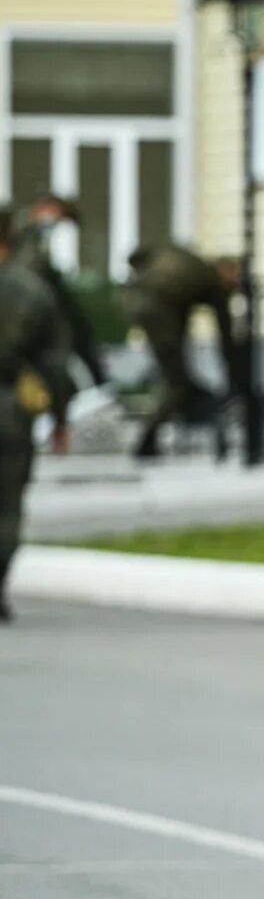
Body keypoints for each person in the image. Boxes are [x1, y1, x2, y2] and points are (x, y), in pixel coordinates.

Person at [0, 212, 78, 623]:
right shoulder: (32, 292)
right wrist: (61, 421)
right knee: (8, 506)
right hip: (12, 409)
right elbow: (54, 363)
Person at [123, 241, 241, 459]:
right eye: (235, 277)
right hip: (158, 315)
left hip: (136, 302)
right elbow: (226, 338)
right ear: (227, 270)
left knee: (178, 380)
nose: (235, 285)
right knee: (178, 385)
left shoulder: (186, 261)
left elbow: (137, 254)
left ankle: (183, 411)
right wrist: (236, 378)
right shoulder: (212, 282)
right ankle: (146, 441)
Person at [9, 195, 106, 387]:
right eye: (59, 216)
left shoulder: (33, 235)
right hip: (28, 303)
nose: (57, 223)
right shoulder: (23, 231)